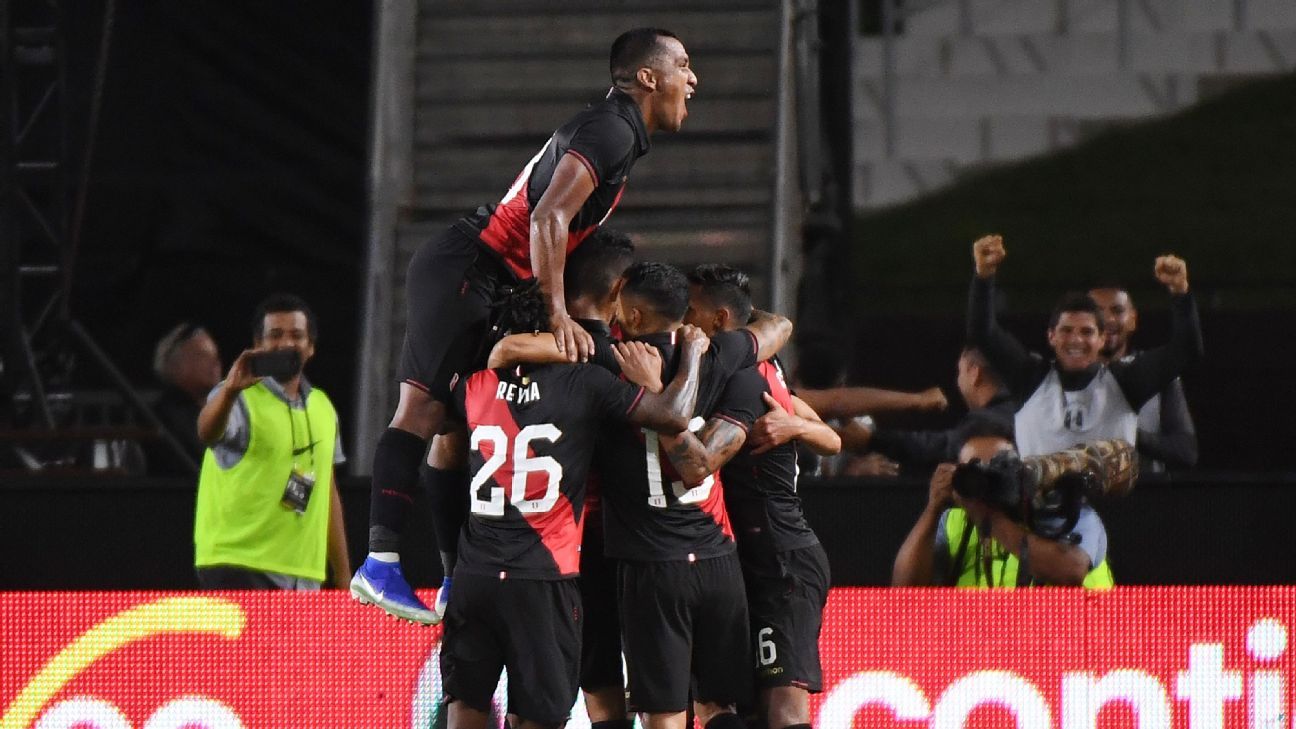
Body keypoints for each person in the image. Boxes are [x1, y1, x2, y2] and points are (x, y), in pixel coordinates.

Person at [355, 28, 700, 624]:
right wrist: (556, 311)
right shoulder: (613, 129)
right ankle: (380, 563)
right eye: (684, 66)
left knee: (453, 424)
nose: (692, 80)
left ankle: (452, 577)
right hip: (467, 268)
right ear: (648, 77)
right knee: (421, 410)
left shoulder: (615, 130)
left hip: (486, 277)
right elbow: (547, 218)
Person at [673, 264, 839, 729]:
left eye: (691, 310)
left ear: (721, 319)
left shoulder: (748, 372)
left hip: (782, 557)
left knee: (782, 708)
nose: (684, 322)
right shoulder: (730, 368)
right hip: (739, 561)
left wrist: (794, 425)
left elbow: (833, 440)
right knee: (733, 707)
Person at [967, 234, 1203, 458]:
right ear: (1051, 336)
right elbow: (983, 333)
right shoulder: (1030, 379)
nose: (1076, 340)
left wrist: (1180, 292)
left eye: (1087, 332)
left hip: (1114, 490)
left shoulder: (1125, 381)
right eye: (1067, 330)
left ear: (1101, 339)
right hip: (1041, 490)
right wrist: (984, 276)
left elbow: (1186, 350)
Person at [193, 294, 350, 590]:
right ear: (258, 344)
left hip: (301, 574)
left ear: (311, 347)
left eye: (297, 335)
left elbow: (326, 489)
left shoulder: (322, 407)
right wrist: (229, 392)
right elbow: (207, 432)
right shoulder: (236, 396)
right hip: (239, 563)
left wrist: (343, 576)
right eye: (275, 335)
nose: (286, 343)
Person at [891, 434, 1114, 588]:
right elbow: (905, 591)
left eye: (997, 470)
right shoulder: (955, 521)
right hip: (981, 638)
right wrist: (932, 509)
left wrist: (989, 518)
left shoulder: (1061, 510)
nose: (986, 483)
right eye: (974, 471)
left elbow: (1070, 571)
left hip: (1067, 635)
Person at [851, 347, 1016, 473]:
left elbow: (934, 448)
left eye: (960, 372)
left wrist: (872, 439)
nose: (958, 381)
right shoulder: (1019, 411)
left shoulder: (986, 422)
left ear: (974, 373)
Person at [1089, 284, 1199, 471]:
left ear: (1132, 319)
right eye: (1097, 311)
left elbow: (1185, 451)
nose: (1107, 319)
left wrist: (1127, 433)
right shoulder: (1057, 376)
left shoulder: (1156, 373)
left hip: (1143, 487)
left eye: (1117, 311)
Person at [149, 322, 223, 475]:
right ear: (175, 365)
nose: (215, 363)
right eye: (203, 356)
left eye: (215, 356)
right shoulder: (168, 415)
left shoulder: (220, 409)